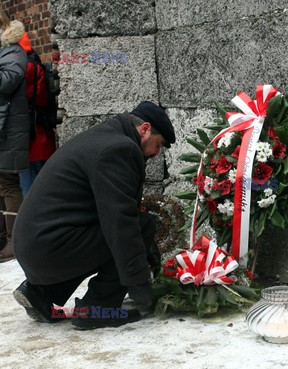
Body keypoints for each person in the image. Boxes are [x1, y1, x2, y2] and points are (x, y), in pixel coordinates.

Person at [12, 101, 175, 330]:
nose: (156, 153)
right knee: (141, 226)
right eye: (158, 145)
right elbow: (121, 223)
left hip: (36, 245)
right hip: (47, 247)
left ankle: (41, 293)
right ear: (145, 129)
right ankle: (96, 310)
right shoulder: (120, 149)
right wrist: (140, 285)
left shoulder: (104, 137)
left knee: (98, 233)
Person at [0, 13, 29, 263]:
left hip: (9, 130)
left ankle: (15, 240)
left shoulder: (13, 49)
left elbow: (8, 81)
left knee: (8, 182)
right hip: (3, 127)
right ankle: (3, 238)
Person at [17, 32, 56, 196]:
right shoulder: (36, 65)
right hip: (43, 134)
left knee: (29, 190)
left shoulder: (17, 68)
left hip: (25, 139)